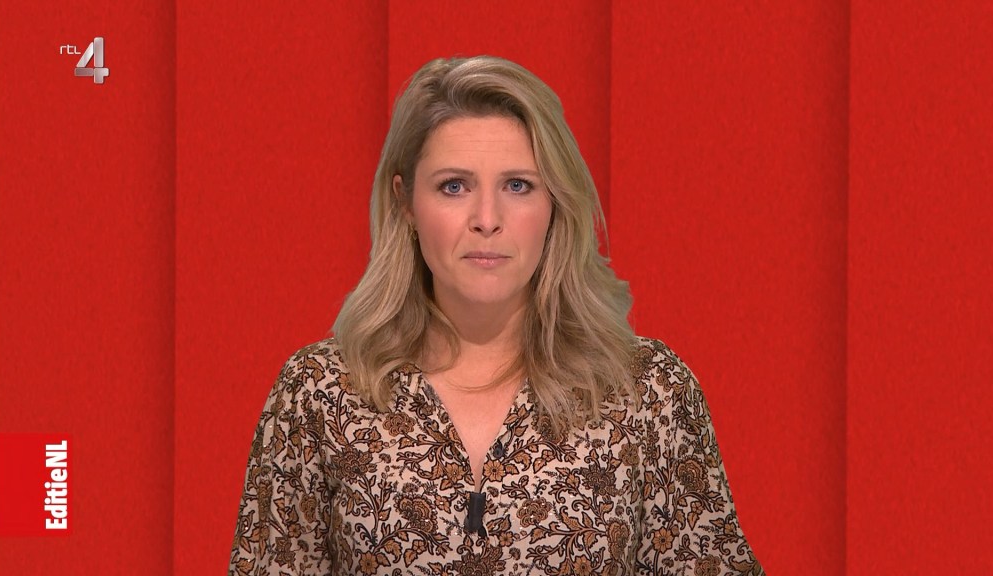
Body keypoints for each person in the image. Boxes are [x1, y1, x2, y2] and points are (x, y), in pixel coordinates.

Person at [229, 55, 763, 576]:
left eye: (518, 186)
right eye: (454, 186)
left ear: (555, 204)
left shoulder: (647, 391)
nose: (487, 219)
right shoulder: (320, 393)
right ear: (406, 202)